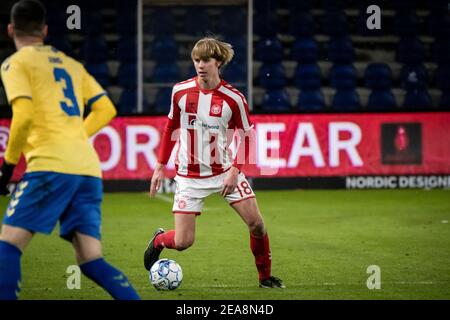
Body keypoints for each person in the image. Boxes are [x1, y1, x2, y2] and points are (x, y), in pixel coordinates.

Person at [0, 0, 140, 300]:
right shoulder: (71, 64)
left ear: (10, 29)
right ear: (45, 31)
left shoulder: (16, 63)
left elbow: (22, 116)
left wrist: (8, 167)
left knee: (7, 246)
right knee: (91, 260)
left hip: (50, 167)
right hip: (87, 170)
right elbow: (106, 108)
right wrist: (75, 134)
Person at [144, 37, 285, 289]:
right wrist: (159, 166)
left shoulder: (234, 99)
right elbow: (170, 127)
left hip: (224, 172)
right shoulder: (180, 91)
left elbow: (247, 138)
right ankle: (159, 241)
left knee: (257, 223)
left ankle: (265, 278)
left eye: (206, 60)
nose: (200, 65)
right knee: (184, 242)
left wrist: (235, 172)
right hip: (188, 176)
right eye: (196, 60)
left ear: (218, 62)